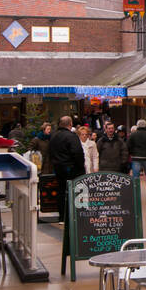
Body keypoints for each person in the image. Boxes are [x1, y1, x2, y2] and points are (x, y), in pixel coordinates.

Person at [47, 116, 86, 279]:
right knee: (76, 192)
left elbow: (49, 151)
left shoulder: (54, 136)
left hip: (59, 168)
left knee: (61, 191)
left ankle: (62, 215)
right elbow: (78, 153)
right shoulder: (71, 136)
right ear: (70, 125)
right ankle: (75, 214)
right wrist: (80, 168)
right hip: (71, 168)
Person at [127, 118, 146, 188]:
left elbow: (128, 145)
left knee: (136, 176)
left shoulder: (133, 135)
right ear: (145, 125)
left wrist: (132, 153)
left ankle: (136, 191)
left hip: (136, 157)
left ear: (137, 125)